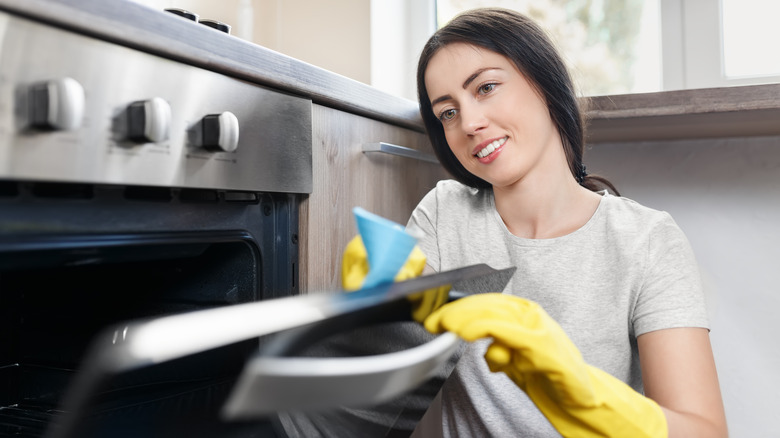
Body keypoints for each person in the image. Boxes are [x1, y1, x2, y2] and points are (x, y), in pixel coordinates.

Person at [406, 7, 728, 437]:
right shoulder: (444, 216)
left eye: (485, 87)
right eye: (447, 112)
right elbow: (382, 367)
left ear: (544, 81)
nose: (469, 123)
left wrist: (587, 398)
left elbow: (705, 431)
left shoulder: (646, 240)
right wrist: (367, 309)